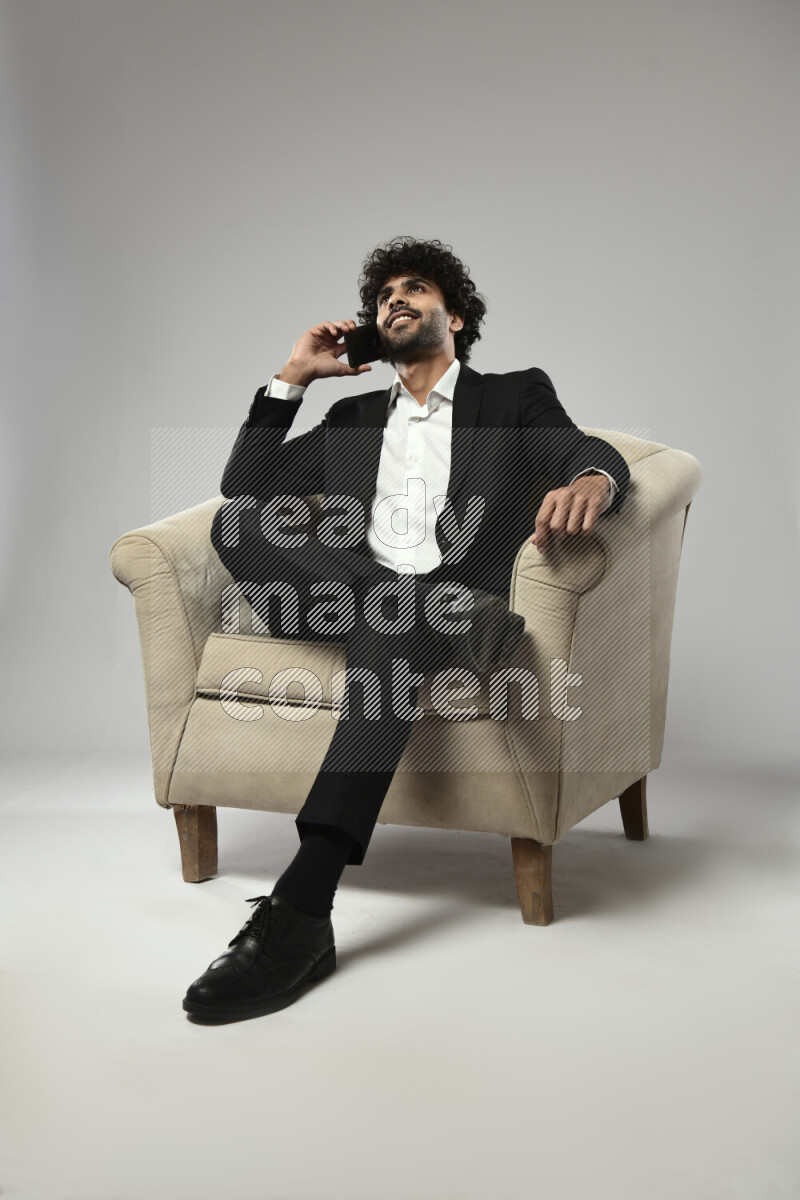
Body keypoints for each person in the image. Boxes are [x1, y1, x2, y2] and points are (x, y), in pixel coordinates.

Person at [182, 236, 630, 1023]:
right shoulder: (352, 418)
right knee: (238, 527)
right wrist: (292, 379)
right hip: (357, 600)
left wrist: (596, 476)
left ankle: (300, 912)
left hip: (430, 604)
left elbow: (578, 450)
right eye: (384, 294)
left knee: (392, 626)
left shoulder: (513, 396)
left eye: (414, 288)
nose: (394, 299)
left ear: (453, 315)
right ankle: (428, 611)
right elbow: (242, 487)